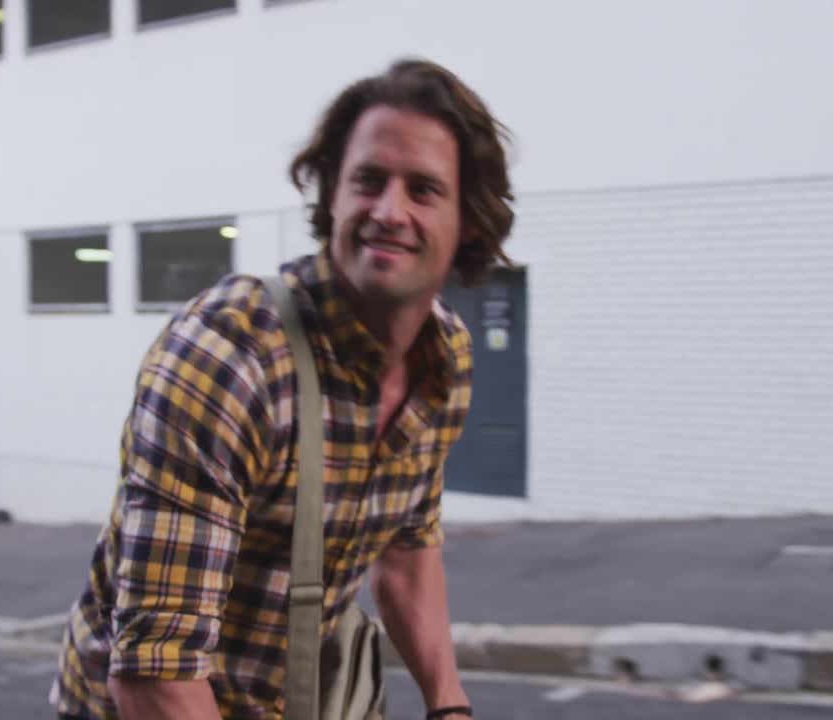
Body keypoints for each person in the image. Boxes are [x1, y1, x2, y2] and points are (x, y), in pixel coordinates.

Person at [52, 57, 515, 720]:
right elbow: (155, 679)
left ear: (467, 220)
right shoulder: (228, 360)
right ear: (331, 195)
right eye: (368, 181)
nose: (389, 210)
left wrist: (449, 705)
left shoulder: (443, 365)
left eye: (423, 190)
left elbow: (409, 551)